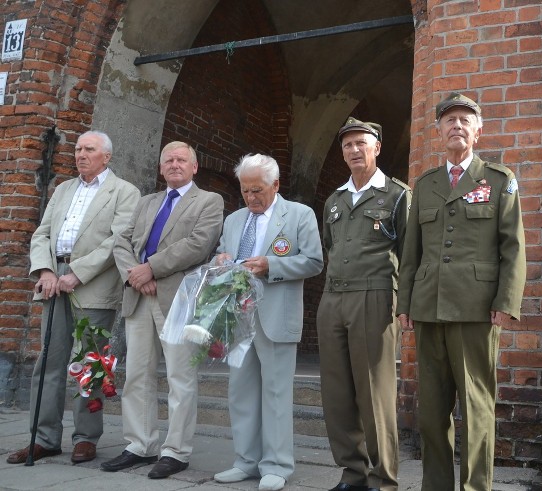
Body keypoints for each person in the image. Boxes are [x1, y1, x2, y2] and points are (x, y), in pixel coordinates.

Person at [396, 93, 526, 490]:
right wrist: (405, 304)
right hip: (429, 308)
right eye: (449, 119)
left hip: (477, 309)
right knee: (432, 411)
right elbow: (411, 250)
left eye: (465, 119)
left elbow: (513, 246)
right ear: (438, 131)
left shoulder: (498, 180)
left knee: (476, 407)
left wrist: (506, 302)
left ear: (478, 130)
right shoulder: (426, 184)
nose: (456, 125)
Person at [5, 131, 140, 465]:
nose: (81, 154)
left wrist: (77, 273)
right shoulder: (64, 189)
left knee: (90, 365)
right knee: (48, 362)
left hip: (92, 287)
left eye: (89, 149)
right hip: (53, 284)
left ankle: (85, 437)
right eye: (78, 149)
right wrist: (46, 272)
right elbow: (43, 234)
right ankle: (44, 437)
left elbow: (117, 241)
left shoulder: (124, 192)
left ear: (106, 156)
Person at [103, 141, 224, 479]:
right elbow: (121, 242)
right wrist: (136, 275)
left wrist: (151, 267)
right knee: (137, 374)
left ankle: (176, 451)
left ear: (194, 167)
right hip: (140, 296)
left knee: (179, 377)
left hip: (178, 299)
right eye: (168, 160)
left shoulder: (210, 202)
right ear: (160, 168)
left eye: (181, 159)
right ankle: (139, 445)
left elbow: (198, 244)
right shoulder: (147, 202)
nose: (174, 164)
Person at [211, 154, 323, 491]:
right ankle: (246, 460)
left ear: (276, 185)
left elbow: (314, 261)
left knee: (276, 392)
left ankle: (276, 464)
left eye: (257, 190)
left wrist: (271, 265)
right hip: (239, 315)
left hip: (276, 314)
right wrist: (221, 258)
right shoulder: (234, 220)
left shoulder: (299, 215)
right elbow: (221, 251)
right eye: (245, 191)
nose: (251, 197)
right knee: (240, 390)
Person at [318, 118, 410, 491]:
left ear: (377, 148)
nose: (354, 150)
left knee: (374, 391)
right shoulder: (334, 200)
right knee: (337, 392)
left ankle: (383, 478)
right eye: (347, 145)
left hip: (374, 296)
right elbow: (330, 245)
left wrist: (404, 306)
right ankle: (352, 472)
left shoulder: (397, 195)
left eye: (361, 143)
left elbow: (409, 254)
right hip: (333, 298)